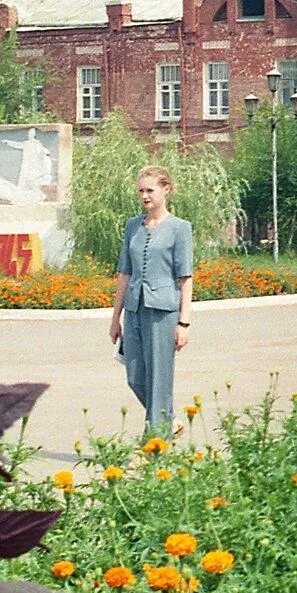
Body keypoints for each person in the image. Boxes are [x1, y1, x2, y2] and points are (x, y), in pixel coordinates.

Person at [109, 166, 194, 433]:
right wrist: (115, 319)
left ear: (166, 190)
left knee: (159, 378)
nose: (145, 196)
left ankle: (155, 444)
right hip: (134, 309)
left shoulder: (180, 228)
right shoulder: (132, 226)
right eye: (141, 191)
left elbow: (185, 278)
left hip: (163, 312)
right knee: (135, 376)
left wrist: (184, 323)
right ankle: (168, 421)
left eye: (150, 190)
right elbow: (124, 272)